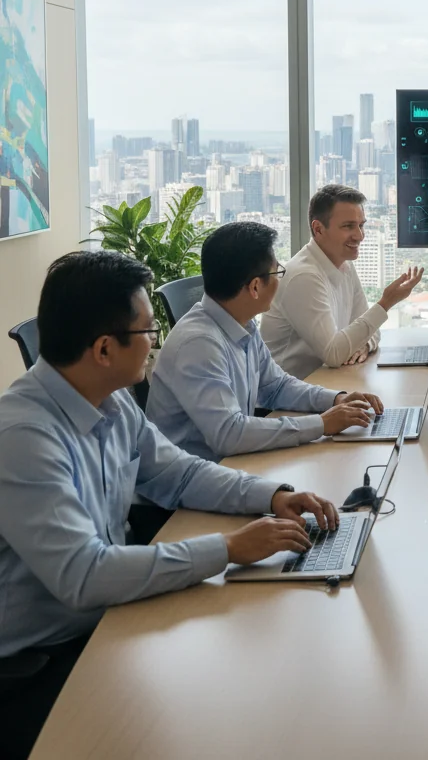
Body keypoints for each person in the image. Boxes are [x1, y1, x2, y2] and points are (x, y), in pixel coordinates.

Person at [0, 251, 341, 760]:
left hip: (109, 620)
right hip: (41, 664)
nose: (155, 345)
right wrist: (228, 549)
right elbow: (84, 576)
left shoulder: (109, 400)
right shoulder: (25, 436)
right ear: (103, 349)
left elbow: (179, 473)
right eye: (146, 334)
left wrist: (272, 496)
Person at [147, 221, 381, 461]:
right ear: (255, 287)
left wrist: (335, 399)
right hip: (193, 483)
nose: (280, 279)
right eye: (277, 272)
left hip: (230, 466)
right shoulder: (198, 344)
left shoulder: (241, 323)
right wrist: (322, 424)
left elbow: (275, 386)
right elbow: (229, 435)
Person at [262, 184, 424, 378]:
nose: (359, 235)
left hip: (321, 385)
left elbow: (370, 330)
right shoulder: (304, 276)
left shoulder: (344, 265)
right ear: (318, 229)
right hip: (283, 402)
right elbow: (334, 354)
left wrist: (362, 345)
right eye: (348, 226)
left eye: (361, 225)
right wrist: (385, 303)